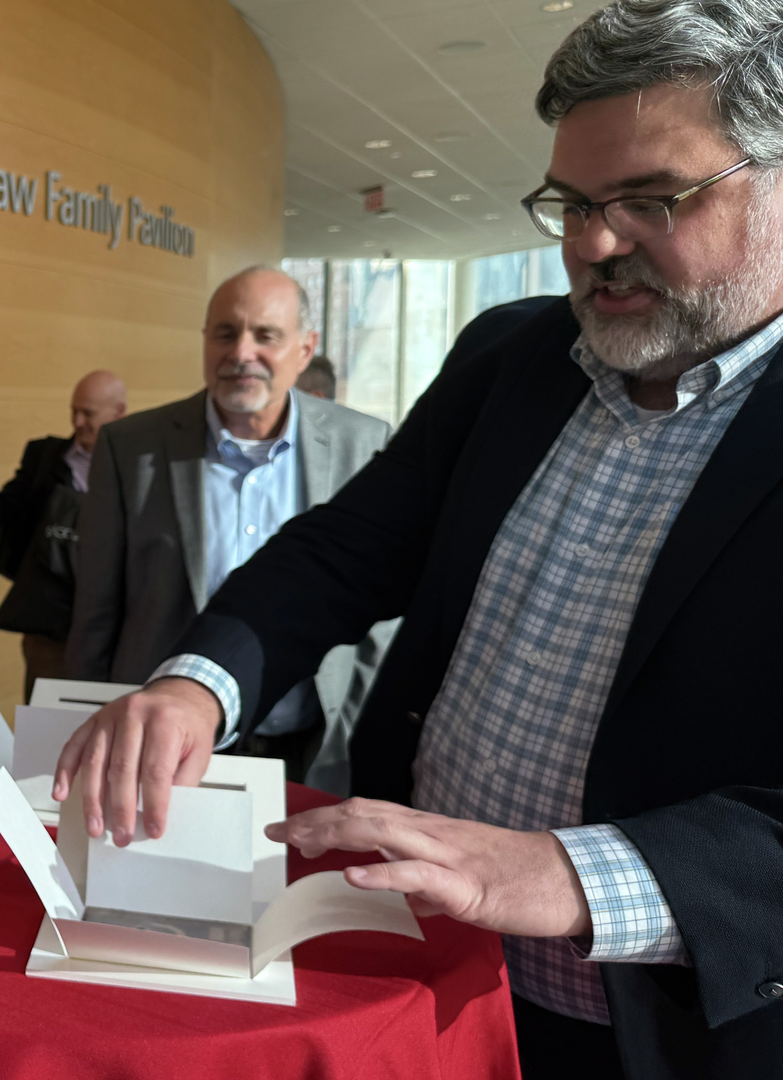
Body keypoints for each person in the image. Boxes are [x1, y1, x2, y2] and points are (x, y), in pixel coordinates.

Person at [53, 2, 783, 1075]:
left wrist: (574, 874)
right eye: (572, 202)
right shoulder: (514, 356)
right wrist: (198, 682)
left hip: (658, 1036)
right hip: (407, 982)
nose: (593, 244)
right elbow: (344, 551)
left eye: (648, 200)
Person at [66, 267, 394, 786]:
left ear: (305, 349)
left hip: (310, 754)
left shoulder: (363, 445)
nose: (241, 352)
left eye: (266, 335)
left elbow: (380, 623)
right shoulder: (130, 449)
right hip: (161, 760)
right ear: (204, 342)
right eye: (225, 332)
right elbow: (96, 619)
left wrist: (354, 738)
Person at [0, 369, 127, 701]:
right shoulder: (46, 456)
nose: (77, 421)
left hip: (114, 626)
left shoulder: (136, 466)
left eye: (88, 413)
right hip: (50, 622)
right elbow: (12, 499)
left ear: (119, 412)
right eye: (74, 410)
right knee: (45, 718)